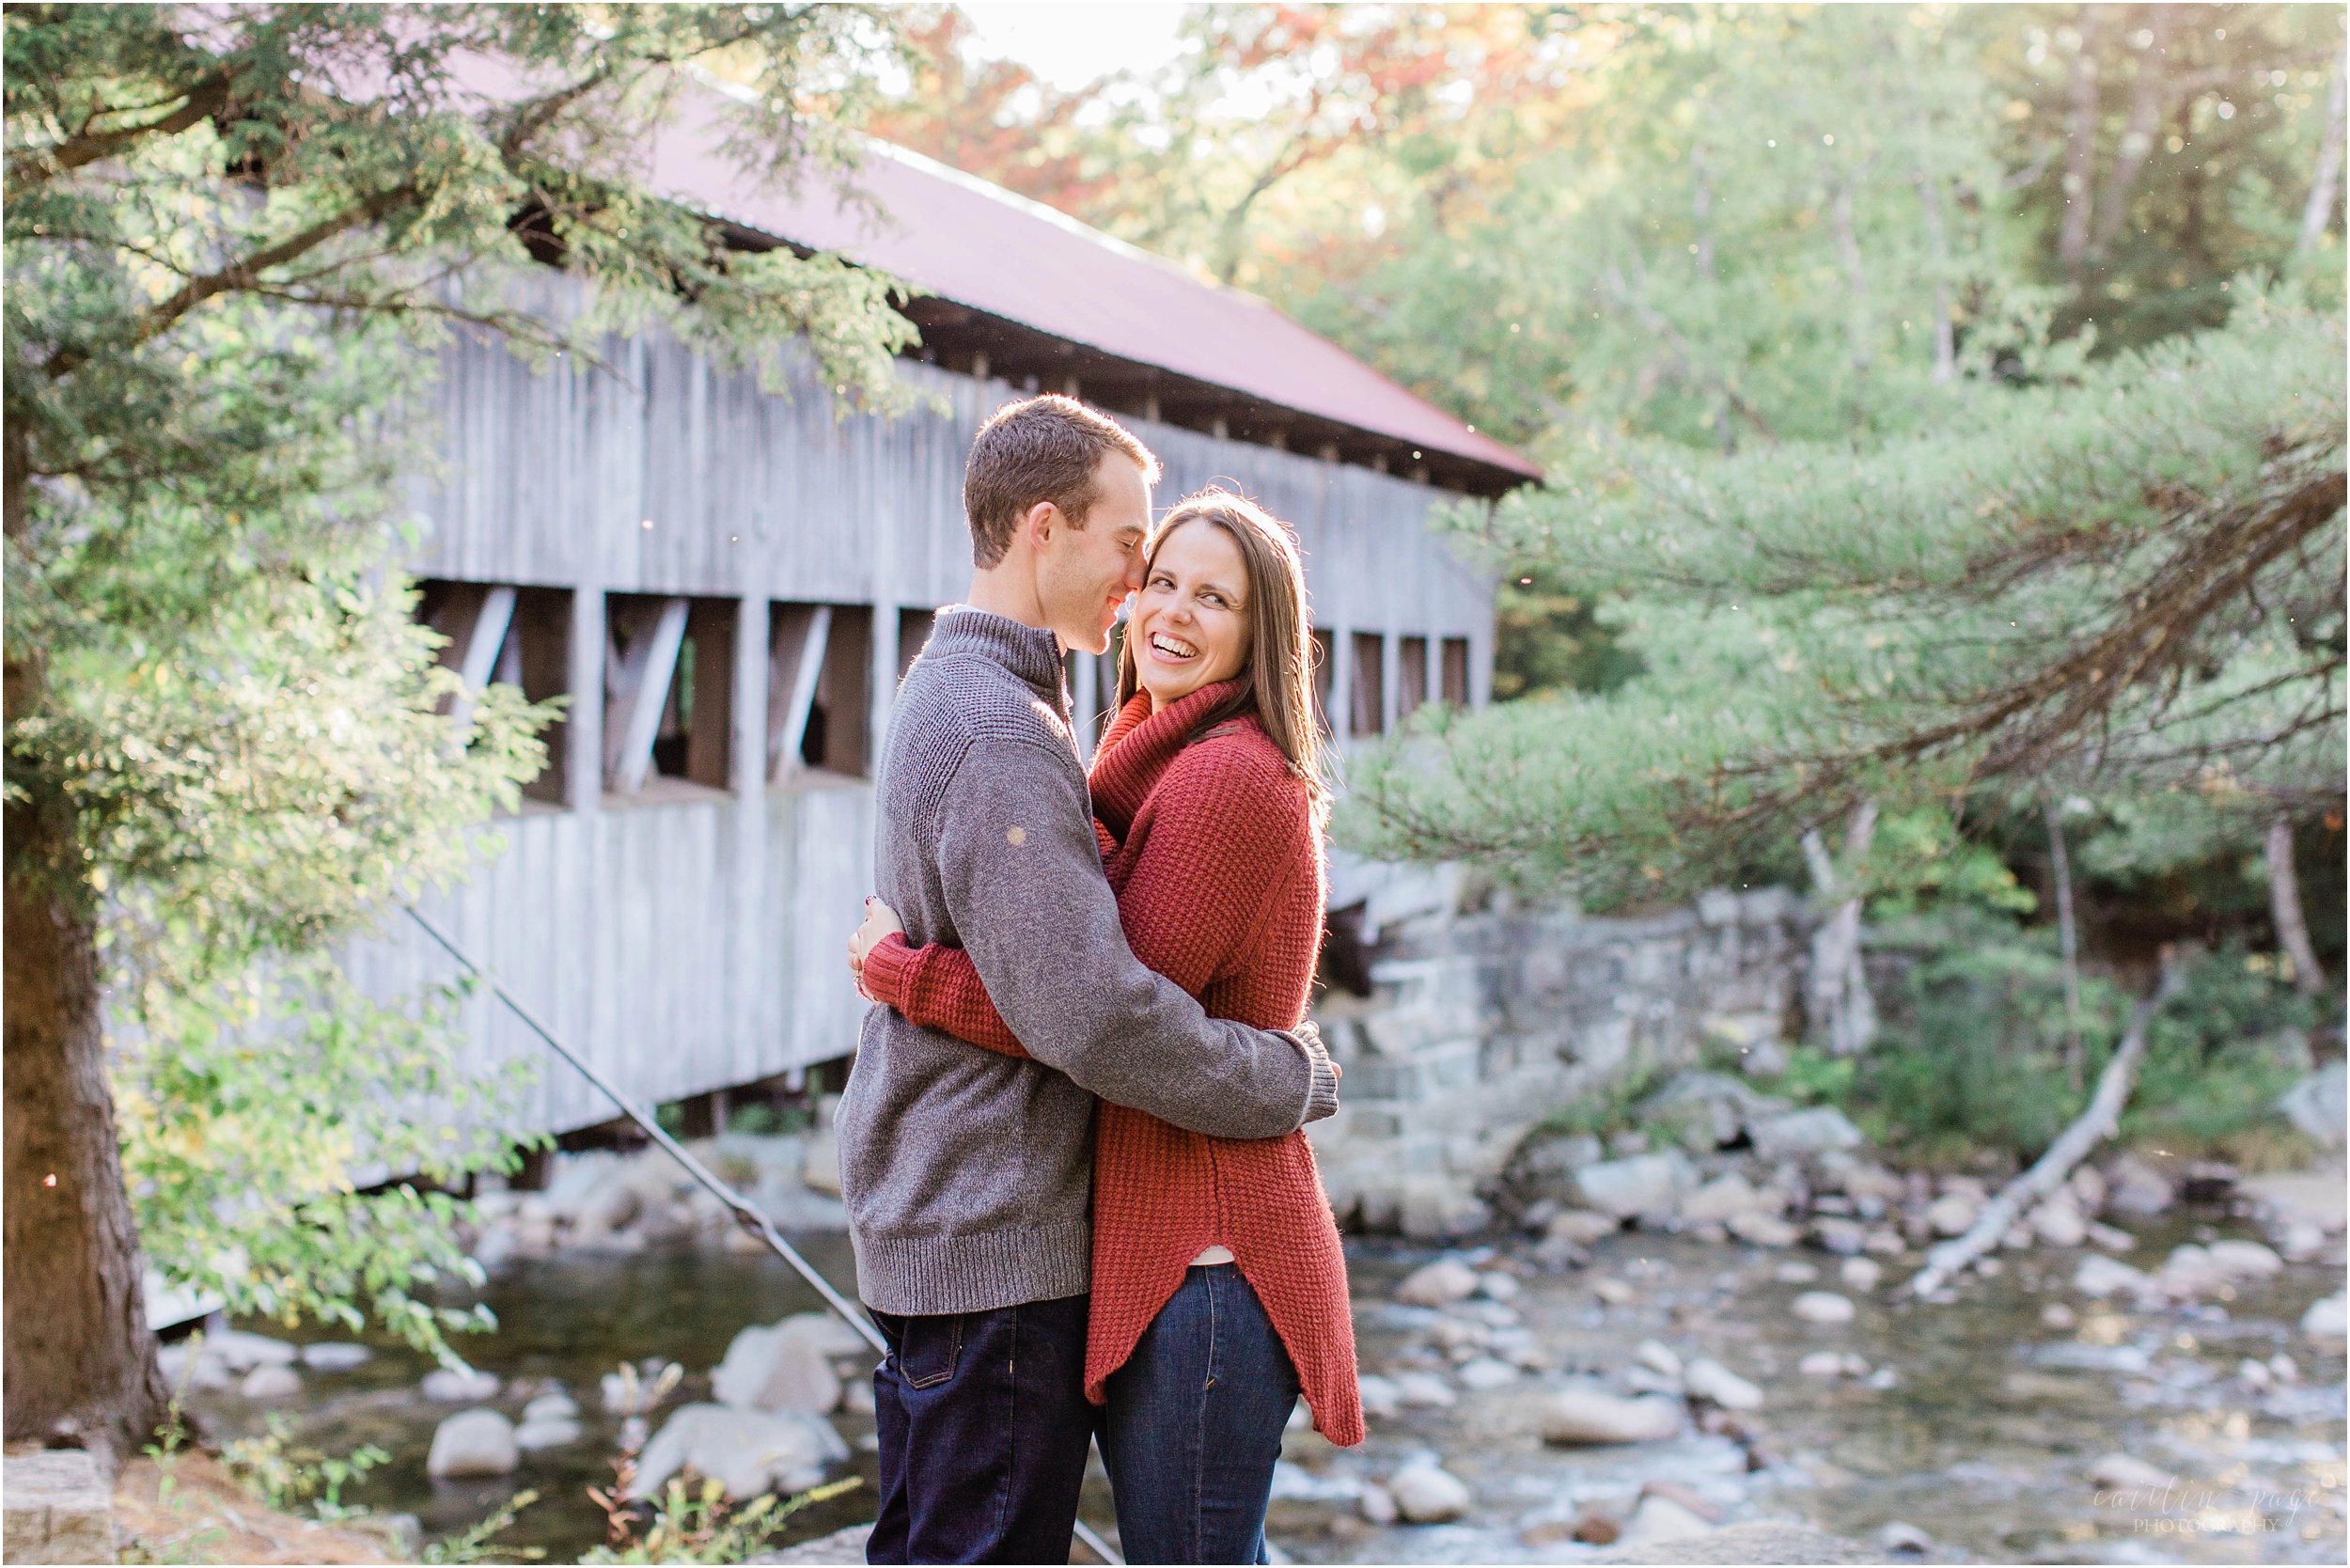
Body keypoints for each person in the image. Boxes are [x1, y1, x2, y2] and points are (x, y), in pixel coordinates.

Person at [836, 397, 1340, 1566]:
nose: (1145, 592)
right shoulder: (1017, 731)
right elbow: (1094, 1013)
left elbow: (1088, 1002)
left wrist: (901, 971)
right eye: (1138, 554)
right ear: (1048, 529)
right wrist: (1282, 1078)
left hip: (1040, 1225)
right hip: (991, 1225)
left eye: (1204, 593)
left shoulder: (1000, 703)